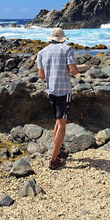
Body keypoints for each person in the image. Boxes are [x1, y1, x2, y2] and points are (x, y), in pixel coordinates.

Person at [37, 28, 78, 170]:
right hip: (64, 90)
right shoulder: (67, 50)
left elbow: (41, 76)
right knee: (62, 125)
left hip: (51, 90)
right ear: (62, 38)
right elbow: (73, 70)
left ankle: (59, 151)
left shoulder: (41, 53)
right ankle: (54, 160)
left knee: (57, 120)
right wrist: (77, 69)